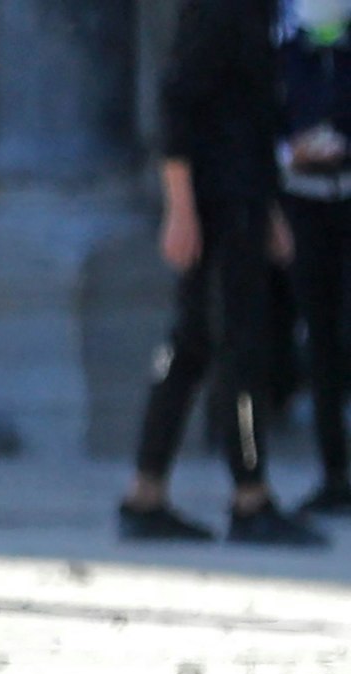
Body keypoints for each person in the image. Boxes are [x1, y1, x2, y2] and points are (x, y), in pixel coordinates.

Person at [118, 0, 327, 547]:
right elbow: (178, 101)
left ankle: (146, 493)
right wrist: (180, 208)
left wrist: (271, 209)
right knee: (239, 351)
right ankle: (249, 497)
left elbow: (250, 115)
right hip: (217, 206)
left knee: (193, 345)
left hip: (243, 201)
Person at [277, 0, 351, 516]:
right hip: (302, 206)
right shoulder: (282, 52)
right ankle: (335, 473)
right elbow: (258, 122)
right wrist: (290, 153)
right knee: (320, 340)